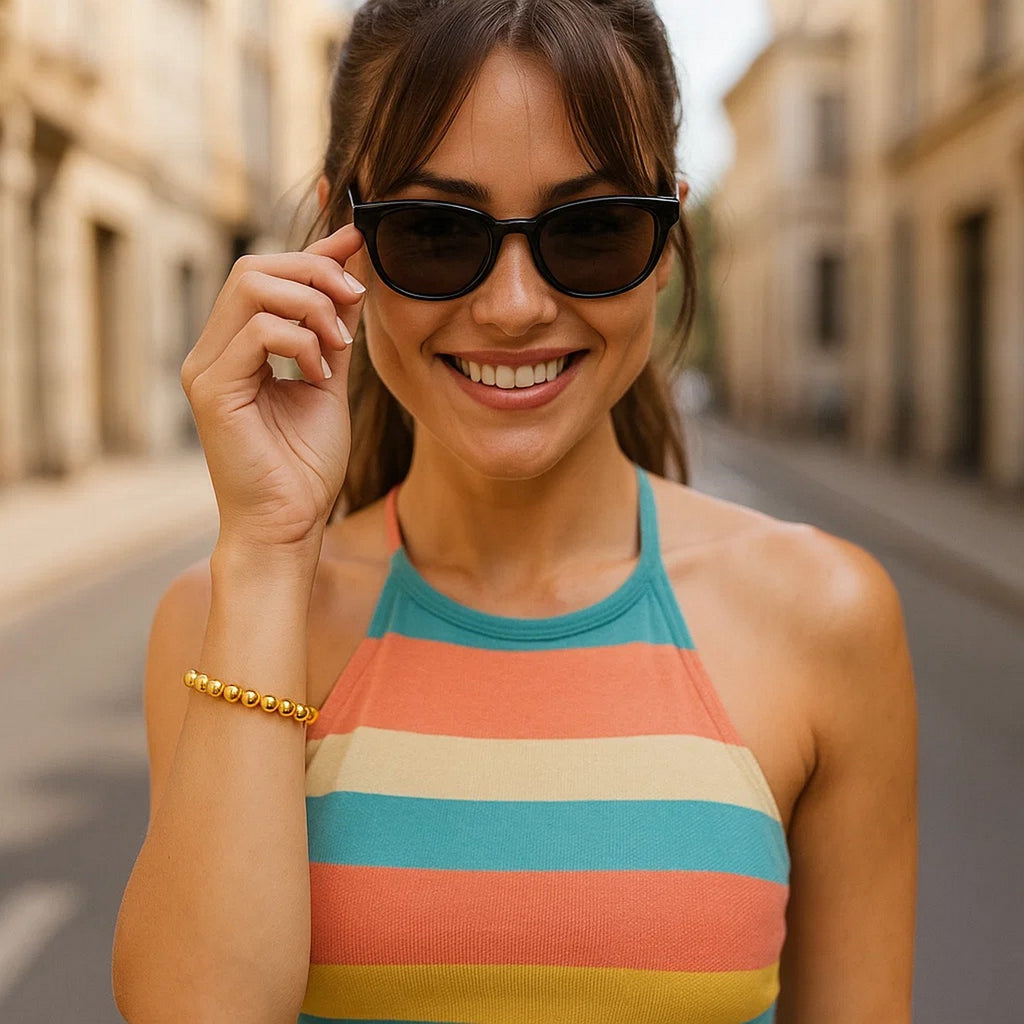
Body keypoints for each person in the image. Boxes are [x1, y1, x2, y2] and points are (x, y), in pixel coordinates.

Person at [111, 1, 918, 1021]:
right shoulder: (228, 617)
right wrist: (270, 548)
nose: (513, 304)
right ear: (338, 239)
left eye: (589, 229)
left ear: (666, 237)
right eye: (436, 233)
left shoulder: (827, 618)